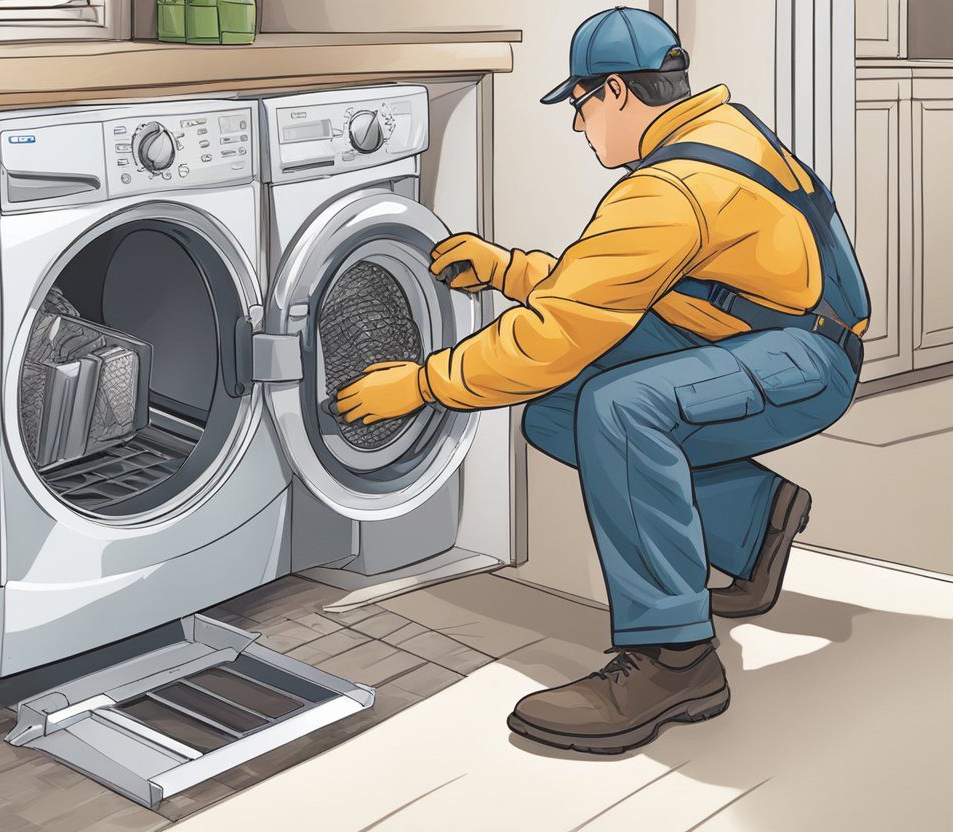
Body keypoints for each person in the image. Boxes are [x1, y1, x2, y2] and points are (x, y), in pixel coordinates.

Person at [334, 7, 870, 755]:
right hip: (757, 331)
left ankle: (674, 660)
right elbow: (606, 292)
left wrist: (423, 384)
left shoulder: (668, 188)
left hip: (805, 360)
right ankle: (756, 521)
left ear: (616, 91)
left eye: (581, 108)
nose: (582, 129)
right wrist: (507, 270)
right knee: (559, 410)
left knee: (619, 409)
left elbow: (557, 334)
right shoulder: (714, 134)